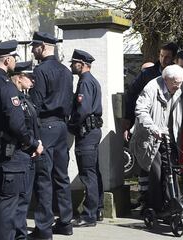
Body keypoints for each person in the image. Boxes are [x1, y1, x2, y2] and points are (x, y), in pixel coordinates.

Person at [0, 40, 43, 240]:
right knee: (7, 206)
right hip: (10, 154)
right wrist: (33, 143)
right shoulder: (6, 87)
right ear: (8, 60)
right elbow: (17, 124)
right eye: (14, 58)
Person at [129, 64, 183, 212]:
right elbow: (141, 110)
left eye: (181, 82)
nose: (179, 86)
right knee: (157, 172)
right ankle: (155, 207)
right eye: (176, 83)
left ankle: (172, 204)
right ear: (165, 80)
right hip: (150, 137)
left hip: (169, 136)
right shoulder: (151, 88)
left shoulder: (180, 88)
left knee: (171, 169)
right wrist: (153, 128)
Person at [29, 31, 74, 239]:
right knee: (62, 176)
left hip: (45, 126)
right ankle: (65, 221)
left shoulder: (40, 71)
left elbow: (35, 104)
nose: (32, 50)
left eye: (35, 46)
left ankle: (44, 227)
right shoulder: (66, 71)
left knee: (43, 178)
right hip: (61, 127)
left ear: (44, 46)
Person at [67, 49, 103, 227]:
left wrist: (72, 125)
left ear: (81, 64)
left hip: (86, 132)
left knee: (88, 174)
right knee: (93, 172)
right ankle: (97, 209)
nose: (72, 66)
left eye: (74, 63)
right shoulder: (90, 81)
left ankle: (89, 215)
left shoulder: (85, 82)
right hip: (92, 131)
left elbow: (82, 110)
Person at [123, 42, 179, 142]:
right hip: (148, 122)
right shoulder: (146, 74)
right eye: (162, 56)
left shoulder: (178, 74)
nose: (163, 60)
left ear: (174, 58)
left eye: (167, 57)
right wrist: (128, 120)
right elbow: (132, 95)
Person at [10, 61, 41, 240]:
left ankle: (20, 233)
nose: (32, 81)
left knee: (25, 198)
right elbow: (20, 128)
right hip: (21, 152)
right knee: (19, 198)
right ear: (19, 77)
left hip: (30, 151)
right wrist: (33, 144)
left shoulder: (25, 98)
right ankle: (19, 235)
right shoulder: (15, 99)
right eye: (29, 77)